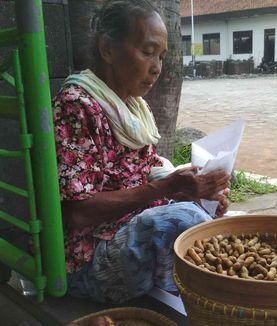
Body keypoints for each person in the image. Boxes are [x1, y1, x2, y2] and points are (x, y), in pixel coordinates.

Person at [52, 0, 231, 304]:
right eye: (147, 52)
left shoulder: (135, 109)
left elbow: (143, 176)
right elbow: (77, 213)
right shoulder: (77, 106)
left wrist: (192, 190)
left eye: (161, 57)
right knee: (180, 221)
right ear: (108, 49)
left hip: (130, 231)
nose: (157, 68)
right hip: (88, 256)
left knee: (208, 215)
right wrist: (168, 188)